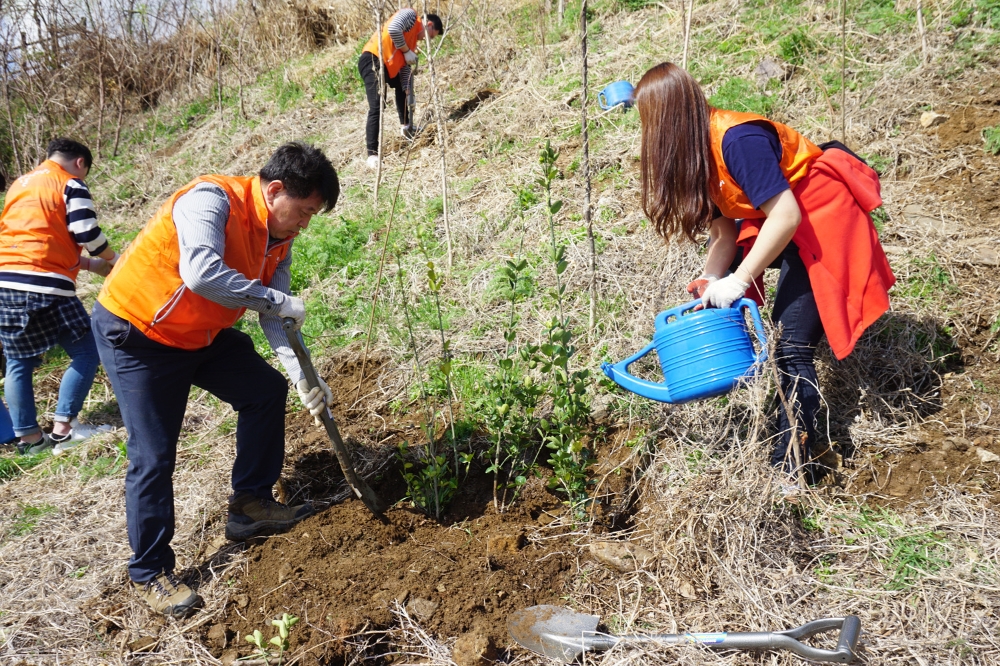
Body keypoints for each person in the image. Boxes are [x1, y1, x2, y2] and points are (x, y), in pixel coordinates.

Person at [92, 142, 339, 618]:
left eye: (313, 215)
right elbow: (202, 273)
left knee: (265, 391)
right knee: (154, 454)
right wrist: (276, 300)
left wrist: (303, 376)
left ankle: (249, 504)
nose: (305, 224)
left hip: (199, 333)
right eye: (305, 211)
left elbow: (274, 314)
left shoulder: (279, 236)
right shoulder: (210, 201)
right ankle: (149, 572)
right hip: (139, 332)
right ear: (275, 189)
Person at [633, 62, 895, 484]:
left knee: (790, 345)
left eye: (649, 123)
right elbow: (723, 232)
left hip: (820, 221)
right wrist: (712, 278)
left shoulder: (738, 140)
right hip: (780, 224)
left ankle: (792, 468)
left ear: (669, 120)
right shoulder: (698, 152)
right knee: (777, 330)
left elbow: (787, 215)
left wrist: (739, 281)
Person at [0, 138, 118, 456]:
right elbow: (87, 233)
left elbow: (38, 239)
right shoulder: (69, 183)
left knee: (18, 362)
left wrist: (91, 266)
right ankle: (65, 430)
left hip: (6, 282)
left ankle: (31, 441)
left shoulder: (20, 186)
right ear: (80, 163)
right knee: (87, 350)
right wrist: (115, 259)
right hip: (46, 286)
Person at [358, 9, 443, 169]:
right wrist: (406, 51)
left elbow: (404, 67)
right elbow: (393, 29)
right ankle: (372, 154)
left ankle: (406, 126)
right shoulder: (411, 16)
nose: (427, 40)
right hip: (373, 59)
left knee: (401, 89)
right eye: (430, 36)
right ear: (429, 24)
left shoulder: (411, 41)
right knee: (377, 106)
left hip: (387, 66)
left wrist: (407, 88)